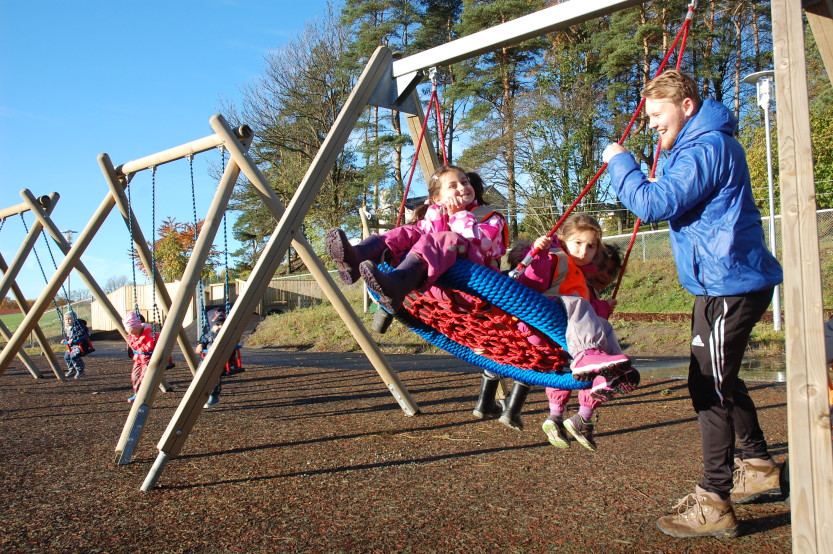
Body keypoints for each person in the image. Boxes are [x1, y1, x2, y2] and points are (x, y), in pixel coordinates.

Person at [603, 70, 783, 539]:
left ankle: (714, 500)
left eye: (656, 116)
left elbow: (651, 203)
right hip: (722, 281)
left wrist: (619, 162)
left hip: (730, 283)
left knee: (709, 387)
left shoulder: (706, 148)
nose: (651, 125)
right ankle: (759, 464)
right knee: (721, 378)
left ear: (686, 105)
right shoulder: (693, 146)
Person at [513, 216, 637, 449]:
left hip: (562, 330)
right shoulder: (555, 259)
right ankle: (589, 363)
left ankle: (613, 373)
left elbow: (587, 313)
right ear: (562, 241)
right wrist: (537, 254)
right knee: (579, 305)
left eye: (590, 246)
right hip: (540, 320)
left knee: (603, 326)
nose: (584, 251)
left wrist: (603, 308)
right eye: (578, 243)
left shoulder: (579, 274)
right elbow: (531, 282)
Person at [325, 165, 507, 313]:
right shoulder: (437, 213)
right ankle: (357, 258)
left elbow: (479, 245)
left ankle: (397, 284)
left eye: (464, 182)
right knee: (408, 232)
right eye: (453, 186)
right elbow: (426, 239)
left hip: (473, 284)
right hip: (436, 284)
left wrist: (458, 215)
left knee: (446, 238)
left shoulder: (490, 217)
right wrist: (439, 214)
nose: (462, 187)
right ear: (438, 198)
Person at [195, 308, 239, 408]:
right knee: (200, 373)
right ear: (211, 326)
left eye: (222, 324)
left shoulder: (228, 334)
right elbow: (203, 340)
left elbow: (234, 341)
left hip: (224, 361)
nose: (220, 327)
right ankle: (199, 390)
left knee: (213, 375)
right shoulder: (209, 335)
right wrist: (200, 345)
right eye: (217, 324)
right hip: (207, 361)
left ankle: (213, 396)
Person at [123, 311, 156, 403]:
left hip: (148, 359)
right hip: (138, 359)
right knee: (134, 376)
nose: (134, 335)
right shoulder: (133, 335)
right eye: (132, 334)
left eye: (135, 333)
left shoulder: (149, 334)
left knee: (144, 377)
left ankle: (140, 394)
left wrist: (143, 349)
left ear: (140, 328)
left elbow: (151, 345)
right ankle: (136, 393)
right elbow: (133, 345)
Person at [60, 312, 91, 379]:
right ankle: (72, 369)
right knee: (66, 356)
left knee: (73, 356)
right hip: (73, 346)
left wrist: (74, 338)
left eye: (70, 319)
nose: (67, 321)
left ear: (74, 319)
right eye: (66, 319)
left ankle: (80, 369)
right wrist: (65, 340)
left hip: (82, 345)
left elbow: (83, 333)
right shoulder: (68, 328)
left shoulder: (80, 326)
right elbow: (69, 337)